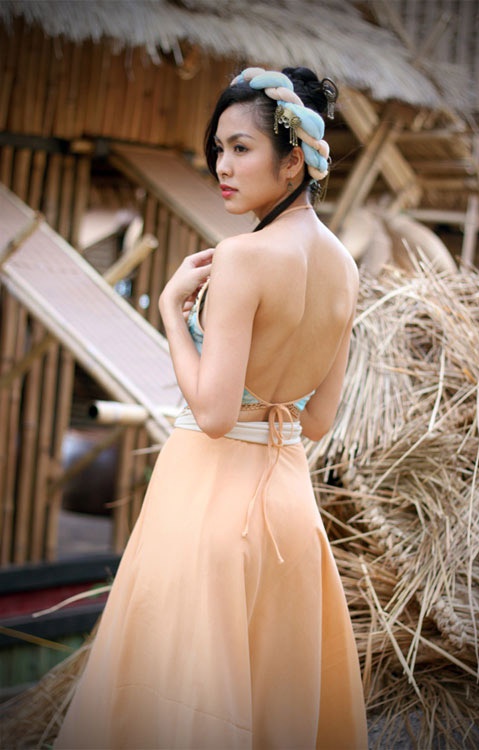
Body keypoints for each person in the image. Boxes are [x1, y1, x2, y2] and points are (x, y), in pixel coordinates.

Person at [55, 66, 367, 750]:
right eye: (219, 149)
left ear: (294, 160)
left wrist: (172, 310)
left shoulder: (243, 257)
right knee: (274, 708)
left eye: (241, 148)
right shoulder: (346, 268)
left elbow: (217, 414)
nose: (222, 166)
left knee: (177, 706)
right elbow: (317, 422)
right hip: (291, 510)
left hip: (206, 499)